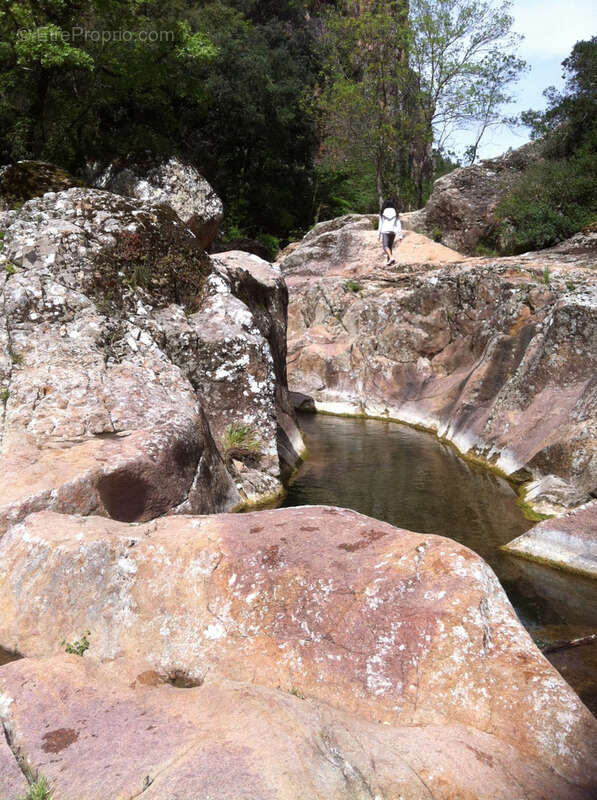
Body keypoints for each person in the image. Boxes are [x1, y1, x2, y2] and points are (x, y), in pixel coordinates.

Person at [377, 198, 402, 266]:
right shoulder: (396, 212)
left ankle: (391, 258)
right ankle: (390, 262)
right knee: (390, 247)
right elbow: (398, 224)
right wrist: (400, 235)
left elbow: (380, 224)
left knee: (385, 246)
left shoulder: (382, 212)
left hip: (385, 231)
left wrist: (378, 235)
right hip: (393, 232)